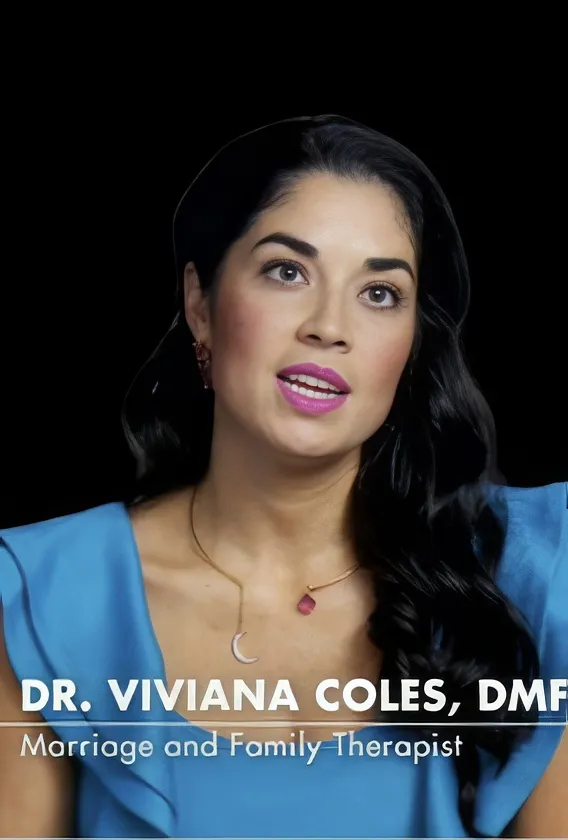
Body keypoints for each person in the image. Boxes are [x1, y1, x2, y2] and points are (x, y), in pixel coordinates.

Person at [0, 115, 566, 839]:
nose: (330, 326)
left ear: (413, 343)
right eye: (287, 271)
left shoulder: (537, 577)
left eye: (381, 292)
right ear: (200, 305)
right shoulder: (40, 597)